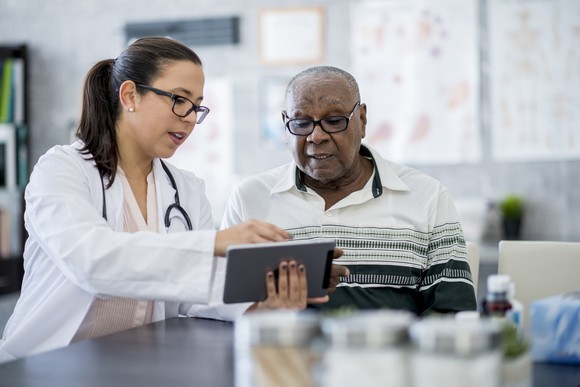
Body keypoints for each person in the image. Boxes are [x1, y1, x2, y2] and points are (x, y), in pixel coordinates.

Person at [0, 37, 328, 363]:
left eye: (197, 106)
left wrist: (263, 298)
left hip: (137, 364)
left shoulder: (186, 189)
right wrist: (213, 242)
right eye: (178, 99)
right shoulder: (61, 169)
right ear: (130, 95)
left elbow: (198, 290)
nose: (188, 117)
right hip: (47, 364)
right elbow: (92, 262)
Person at [219, 66, 477, 315]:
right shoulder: (250, 198)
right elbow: (220, 306)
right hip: (283, 356)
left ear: (362, 120)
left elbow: (452, 314)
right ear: (285, 126)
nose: (316, 136)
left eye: (334, 121)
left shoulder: (427, 197)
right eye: (301, 123)